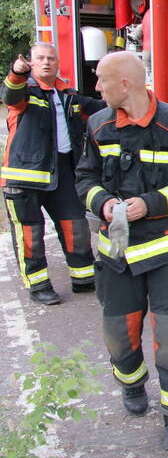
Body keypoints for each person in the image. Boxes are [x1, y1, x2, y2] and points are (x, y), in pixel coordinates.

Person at [75, 51, 168, 451]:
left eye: (100, 80)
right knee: (120, 335)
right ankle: (132, 386)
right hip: (116, 255)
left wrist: (149, 204)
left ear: (124, 85)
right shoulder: (98, 126)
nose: (95, 88)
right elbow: (84, 177)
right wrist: (102, 203)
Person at [1, 43, 104, 305]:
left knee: (76, 227)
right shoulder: (25, 91)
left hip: (63, 174)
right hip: (25, 177)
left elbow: (102, 108)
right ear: (32, 63)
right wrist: (16, 72)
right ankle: (39, 286)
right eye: (40, 58)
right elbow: (10, 96)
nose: (46, 62)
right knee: (30, 235)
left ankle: (84, 278)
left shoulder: (68, 94)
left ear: (58, 63)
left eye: (51, 58)